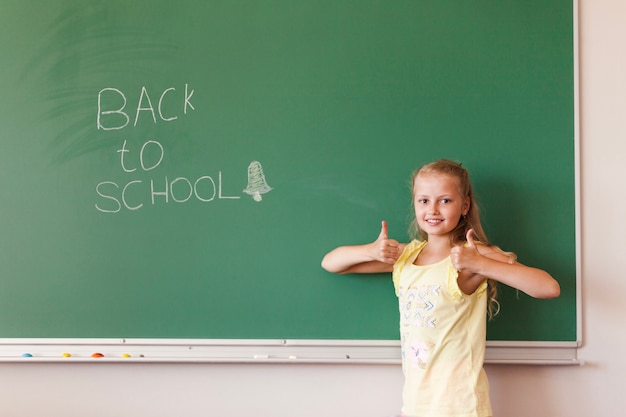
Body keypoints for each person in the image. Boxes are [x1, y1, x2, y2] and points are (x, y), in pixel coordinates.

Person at [321, 159, 560, 417]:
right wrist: (370, 251)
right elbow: (332, 263)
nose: (433, 210)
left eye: (445, 200)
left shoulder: (472, 255)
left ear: (465, 205)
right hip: (416, 404)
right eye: (423, 200)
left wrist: (482, 264)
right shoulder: (406, 256)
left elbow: (548, 287)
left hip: (461, 405)